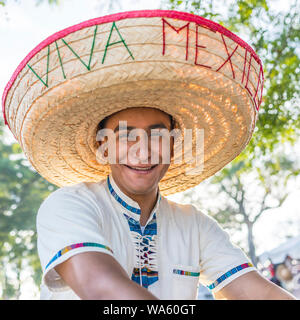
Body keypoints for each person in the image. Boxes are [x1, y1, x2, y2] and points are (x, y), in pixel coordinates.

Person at [2, 10, 296, 300]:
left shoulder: (194, 224)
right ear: (103, 147)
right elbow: (102, 290)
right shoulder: (69, 206)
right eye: (126, 136)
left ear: (173, 145)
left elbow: (259, 294)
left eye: (157, 136)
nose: (143, 151)